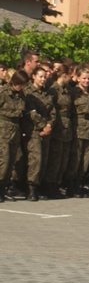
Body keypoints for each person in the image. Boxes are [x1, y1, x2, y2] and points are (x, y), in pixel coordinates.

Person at [20, 66, 54, 201]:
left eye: (45, 77)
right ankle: (31, 187)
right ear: (33, 76)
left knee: (44, 159)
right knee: (35, 159)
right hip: (33, 130)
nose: (43, 79)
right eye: (40, 76)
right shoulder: (28, 92)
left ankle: (38, 185)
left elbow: (53, 112)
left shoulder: (47, 93)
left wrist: (49, 125)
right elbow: (31, 112)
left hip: (46, 130)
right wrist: (43, 126)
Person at [43, 64, 74, 198]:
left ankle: (56, 184)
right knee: (55, 159)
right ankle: (49, 185)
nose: (71, 78)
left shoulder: (67, 90)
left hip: (66, 128)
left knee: (63, 160)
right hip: (57, 127)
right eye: (70, 76)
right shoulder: (53, 90)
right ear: (64, 75)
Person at [67, 67, 89, 199]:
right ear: (78, 78)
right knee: (76, 158)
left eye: (88, 78)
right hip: (78, 127)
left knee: (86, 159)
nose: (86, 81)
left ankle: (79, 183)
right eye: (84, 78)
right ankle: (71, 186)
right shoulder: (73, 93)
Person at [0, 71, 29, 202]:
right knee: (4, 161)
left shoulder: (21, 95)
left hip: (15, 130)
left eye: (23, 85)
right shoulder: (3, 92)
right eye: (20, 84)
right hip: (3, 130)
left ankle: (4, 188)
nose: (21, 87)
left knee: (11, 161)